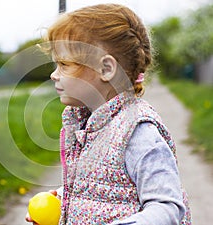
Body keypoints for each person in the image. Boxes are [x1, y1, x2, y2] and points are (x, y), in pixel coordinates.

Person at [26, 3, 191, 225]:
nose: (54, 75)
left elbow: (168, 207)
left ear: (106, 69)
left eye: (64, 64)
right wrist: (67, 200)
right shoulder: (88, 125)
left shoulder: (138, 132)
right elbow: (107, 190)